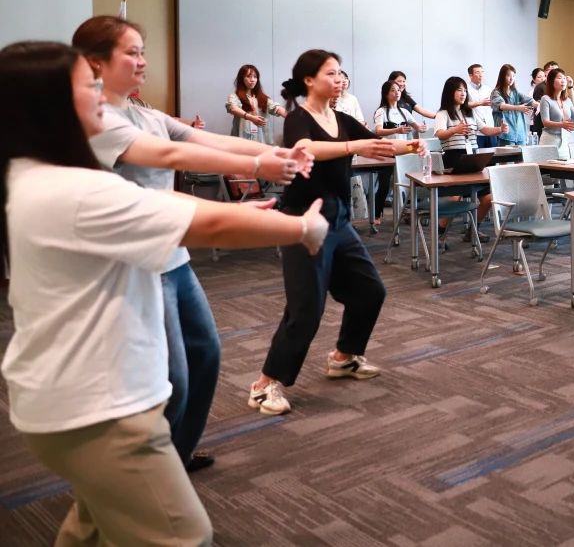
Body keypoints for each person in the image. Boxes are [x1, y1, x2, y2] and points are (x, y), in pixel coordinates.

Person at [0, 40, 328, 547]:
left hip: (71, 401)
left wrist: (254, 184)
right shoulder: (74, 189)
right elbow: (208, 224)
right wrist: (302, 228)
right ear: (50, 104)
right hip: (100, 412)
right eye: (88, 85)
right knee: (185, 536)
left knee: (92, 527)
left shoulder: (37, 173)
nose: (100, 96)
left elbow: (180, 197)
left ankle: (173, 457)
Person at [72, 16, 309, 475]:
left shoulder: (145, 113)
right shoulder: (96, 119)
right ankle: (146, 472)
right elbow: (170, 155)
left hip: (174, 257)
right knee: (172, 379)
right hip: (134, 265)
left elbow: (206, 138)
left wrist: (277, 153)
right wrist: (259, 166)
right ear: (96, 62)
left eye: (143, 51)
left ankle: (175, 457)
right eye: (131, 53)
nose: (143, 61)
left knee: (205, 357)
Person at [250, 50, 416, 417]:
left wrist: (413, 145)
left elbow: (379, 144)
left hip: (338, 221)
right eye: (331, 73)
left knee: (370, 291)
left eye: (340, 73)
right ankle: (264, 384)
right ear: (309, 80)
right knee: (306, 308)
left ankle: (343, 357)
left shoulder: (342, 119)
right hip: (303, 221)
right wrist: (353, 146)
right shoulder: (298, 119)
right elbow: (306, 148)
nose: (339, 79)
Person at [436, 75, 507, 237]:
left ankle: (473, 230)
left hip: (472, 159)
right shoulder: (443, 113)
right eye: (459, 90)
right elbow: (440, 134)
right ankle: (441, 231)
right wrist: (455, 130)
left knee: (488, 198)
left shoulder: (470, 112)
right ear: (450, 92)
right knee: (455, 198)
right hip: (453, 159)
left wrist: (500, 129)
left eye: (465, 90)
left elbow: (484, 130)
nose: (463, 93)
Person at [369, 80, 424, 224]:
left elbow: (417, 126)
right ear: (386, 93)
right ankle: (377, 214)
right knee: (384, 185)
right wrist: (396, 130)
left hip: (404, 152)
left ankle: (409, 212)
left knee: (408, 184)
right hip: (387, 151)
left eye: (398, 90)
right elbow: (378, 131)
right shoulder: (381, 111)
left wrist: (421, 128)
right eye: (393, 90)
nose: (397, 93)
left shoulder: (404, 111)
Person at [227, 63, 287, 143]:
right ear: (242, 79)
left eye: (255, 77)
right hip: (242, 139)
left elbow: (276, 107)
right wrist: (251, 117)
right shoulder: (234, 96)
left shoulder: (262, 98)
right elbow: (233, 108)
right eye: (248, 76)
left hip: (261, 140)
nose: (252, 80)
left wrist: (291, 116)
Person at [539, 66, 574, 152]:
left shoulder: (567, 100)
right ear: (551, 81)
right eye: (559, 78)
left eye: (564, 78)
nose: (563, 80)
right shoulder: (545, 99)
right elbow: (545, 122)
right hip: (549, 140)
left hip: (564, 139)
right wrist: (561, 124)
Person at [491, 63, 535, 146]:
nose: (511, 78)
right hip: (506, 135)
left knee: (522, 154)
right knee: (507, 154)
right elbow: (501, 106)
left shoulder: (516, 92)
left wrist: (539, 105)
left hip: (520, 134)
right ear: (502, 76)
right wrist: (518, 108)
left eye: (513, 76)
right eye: (508, 75)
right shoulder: (496, 92)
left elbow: (530, 101)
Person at [466, 63, 498, 148]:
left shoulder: (488, 89)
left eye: (482, 72)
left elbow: (495, 104)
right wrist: (480, 103)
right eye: (477, 72)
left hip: (490, 128)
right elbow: (463, 105)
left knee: (493, 154)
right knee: (478, 155)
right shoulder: (466, 89)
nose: (481, 75)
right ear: (470, 75)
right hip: (476, 131)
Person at [530, 67, 548, 139]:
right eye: (539, 77)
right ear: (534, 79)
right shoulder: (535, 90)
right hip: (536, 121)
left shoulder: (546, 88)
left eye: (544, 76)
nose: (542, 79)